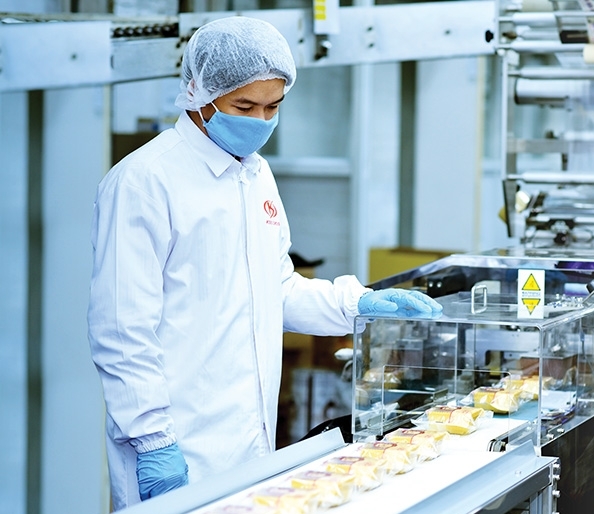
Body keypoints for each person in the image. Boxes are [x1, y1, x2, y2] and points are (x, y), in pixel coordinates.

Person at [87, 16, 442, 510]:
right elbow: (122, 331)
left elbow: (276, 290)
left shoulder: (256, 175)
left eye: (272, 106)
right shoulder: (145, 181)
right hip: (176, 444)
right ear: (198, 93)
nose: (259, 120)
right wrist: (153, 441)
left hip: (249, 443)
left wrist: (357, 303)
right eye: (244, 106)